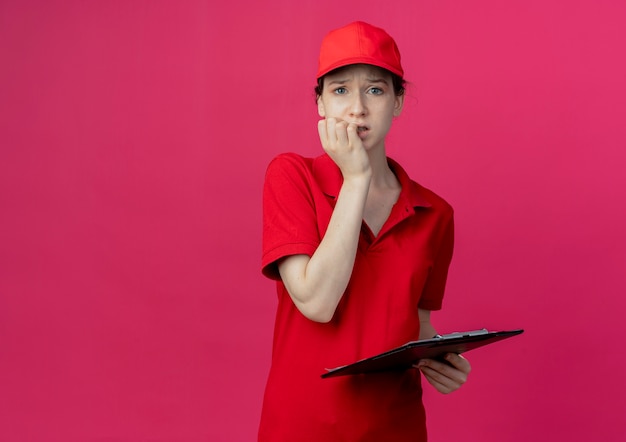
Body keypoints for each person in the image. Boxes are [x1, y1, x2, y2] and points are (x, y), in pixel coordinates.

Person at [259, 21, 471, 441]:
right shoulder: (291, 176)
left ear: (398, 102)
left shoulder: (435, 213)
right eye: (340, 90)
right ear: (320, 103)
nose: (357, 108)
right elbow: (317, 302)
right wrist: (356, 180)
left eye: (375, 90)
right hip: (302, 426)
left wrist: (440, 358)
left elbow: (416, 322)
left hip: (396, 426)